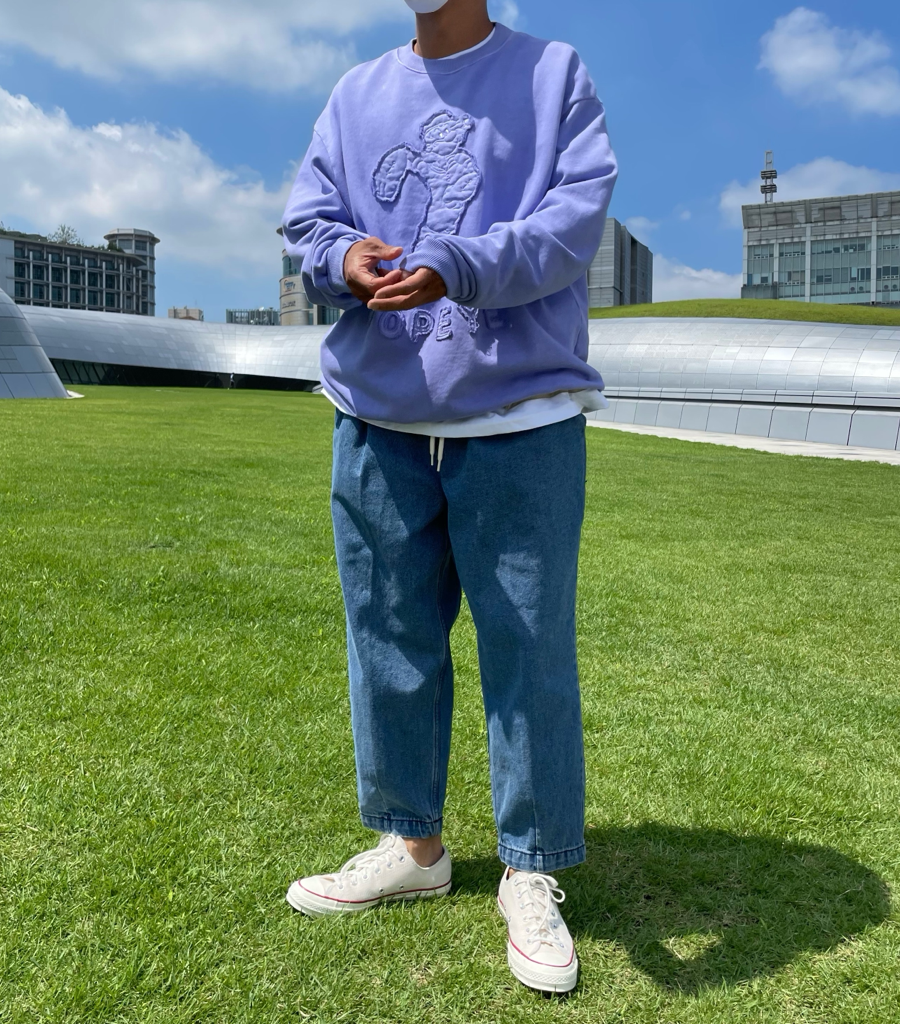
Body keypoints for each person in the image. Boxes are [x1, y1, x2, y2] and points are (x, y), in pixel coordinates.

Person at [281, 0, 616, 995]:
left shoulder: (552, 74)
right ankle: (412, 844)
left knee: (528, 649)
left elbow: (571, 224)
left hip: (519, 413)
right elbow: (310, 216)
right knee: (386, 637)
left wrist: (455, 265)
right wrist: (340, 258)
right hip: (376, 412)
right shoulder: (356, 93)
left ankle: (531, 865)